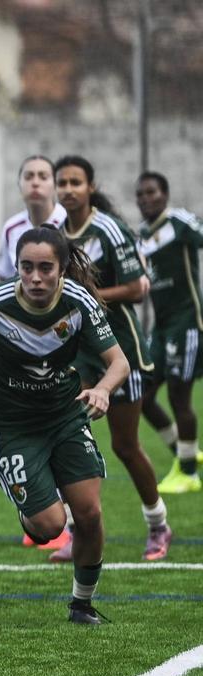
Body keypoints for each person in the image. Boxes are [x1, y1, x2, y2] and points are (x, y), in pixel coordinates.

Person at [0, 226, 128, 624]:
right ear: (17, 267)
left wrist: (103, 390)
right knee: (49, 527)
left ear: (61, 269)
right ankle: (31, 506)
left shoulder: (79, 302)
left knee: (90, 514)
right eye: (26, 267)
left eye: (46, 268)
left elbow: (119, 362)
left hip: (64, 416)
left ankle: (82, 604)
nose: (36, 277)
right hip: (9, 424)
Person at [55, 155, 172, 562]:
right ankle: (77, 531)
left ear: (90, 187)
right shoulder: (57, 234)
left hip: (119, 350)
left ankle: (158, 524)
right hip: (78, 354)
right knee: (67, 440)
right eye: (62, 182)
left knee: (125, 445)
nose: (68, 189)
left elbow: (137, 288)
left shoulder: (107, 229)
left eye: (76, 182)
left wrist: (87, 297)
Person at [0, 155, 71, 549]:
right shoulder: (12, 228)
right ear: (19, 184)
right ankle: (44, 510)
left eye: (43, 175)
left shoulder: (69, 223)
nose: (36, 182)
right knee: (27, 415)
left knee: (64, 423)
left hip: (66, 339)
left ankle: (66, 518)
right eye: (29, 176)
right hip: (20, 344)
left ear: (54, 184)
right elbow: (3, 280)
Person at [135, 171, 203, 497]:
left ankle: (189, 473)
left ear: (165, 194)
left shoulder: (180, 222)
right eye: (141, 194)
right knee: (142, 395)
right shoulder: (141, 236)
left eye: (152, 192)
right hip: (160, 328)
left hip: (187, 322)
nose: (146, 198)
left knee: (178, 395)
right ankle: (184, 453)